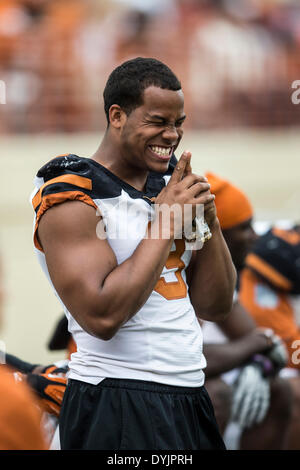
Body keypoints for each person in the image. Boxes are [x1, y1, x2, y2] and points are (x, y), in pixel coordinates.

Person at [31, 57, 236, 450]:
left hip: (190, 393)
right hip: (116, 395)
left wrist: (209, 221)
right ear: (117, 115)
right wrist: (166, 221)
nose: (172, 134)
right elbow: (102, 316)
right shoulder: (71, 193)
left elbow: (215, 305)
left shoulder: (169, 183)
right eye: (158, 121)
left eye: (179, 123)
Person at [201, 172, 293, 450]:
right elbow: (181, 355)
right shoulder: (179, 263)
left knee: (281, 389)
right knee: (213, 395)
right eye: (244, 227)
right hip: (118, 380)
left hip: (202, 367)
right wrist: (255, 347)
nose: (255, 236)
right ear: (218, 232)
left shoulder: (217, 273)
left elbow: (265, 344)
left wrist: (260, 361)